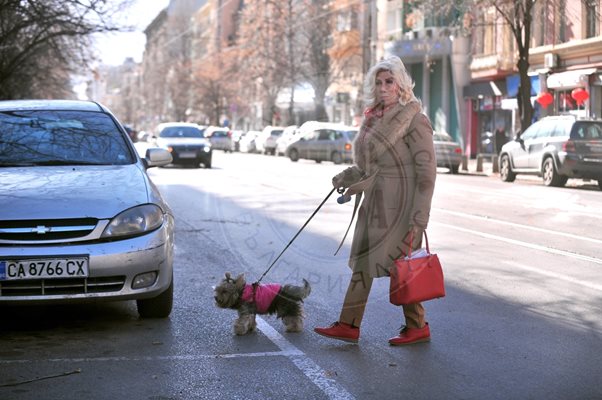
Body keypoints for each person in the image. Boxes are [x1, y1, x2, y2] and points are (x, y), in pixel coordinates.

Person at [314, 56, 437, 346]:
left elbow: (427, 175)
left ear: (401, 85)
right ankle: (351, 324)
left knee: (402, 266)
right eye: (379, 82)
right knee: (365, 265)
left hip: (402, 207)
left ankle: (415, 326)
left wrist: (419, 219)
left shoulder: (415, 120)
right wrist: (346, 177)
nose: (383, 88)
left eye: (389, 82)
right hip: (375, 206)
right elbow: (368, 167)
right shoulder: (374, 119)